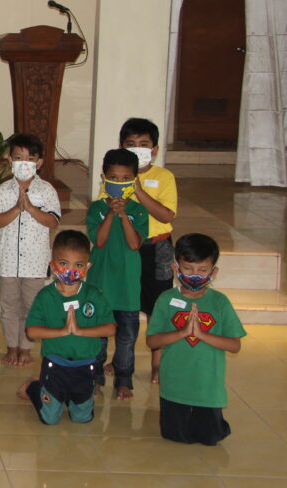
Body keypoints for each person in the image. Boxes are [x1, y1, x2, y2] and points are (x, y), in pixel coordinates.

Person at [147, 233, 245, 445]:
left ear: (213, 272)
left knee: (210, 438)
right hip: (174, 387)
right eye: (188, 269)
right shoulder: (166, 299)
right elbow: (152, 342)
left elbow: (234, 345)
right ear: (175, 269)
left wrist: (201, 334)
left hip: (207, 387)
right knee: (176, 437)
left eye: (202, 270)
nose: (195, 276)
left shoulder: (220, 302)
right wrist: (182, 333)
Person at [18, 230, 115, 425]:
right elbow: (32, 332)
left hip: (86, 365)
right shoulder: (45, 296)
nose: (71, 271)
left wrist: (80, 331)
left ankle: (69, 396)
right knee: (50, 419)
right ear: (52, 264)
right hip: (55, 364)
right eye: (64, 263)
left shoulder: (94, 295)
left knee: (82, 418)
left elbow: (111, 329)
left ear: (87, 267)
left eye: (78, 265)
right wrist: (62, 331)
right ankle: (35, 387)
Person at [0, 133, 61, 368]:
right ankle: (12, 346)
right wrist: (16, 209)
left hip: (35, 262)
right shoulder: (3, 190)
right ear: (10, 160)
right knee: (9, 307)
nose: (24, 163)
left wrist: (30, 208)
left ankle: (26, 347)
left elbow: (53, 221)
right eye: (18, 157)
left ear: (39, 163)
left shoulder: (47, 190)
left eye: (30, 159)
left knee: (32, 307)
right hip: (9, 262)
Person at [86, 148, 149, 400]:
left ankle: (124, 380)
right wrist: (111, 213)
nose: (119, 183)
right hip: (100, 285)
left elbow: (134, 244)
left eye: (125, 179)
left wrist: (123, 215)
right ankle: (95, 379)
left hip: (127, 288)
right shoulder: (96, 209)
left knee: (127, 339)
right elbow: (99, 241)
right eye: (113, 178)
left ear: (134, 181)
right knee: (98, 337)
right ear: (103, 179)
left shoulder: (139, 211)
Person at [120, 117, 178, 383]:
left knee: (158, 307)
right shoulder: (116, 176)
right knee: (124, 306)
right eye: (131, 144)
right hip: (125, 248)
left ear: (154, 149)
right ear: (122, 147)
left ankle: (157, 364)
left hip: (157, 248)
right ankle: (121, 361)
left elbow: (166, 215)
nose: (137, 149)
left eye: (143, 144)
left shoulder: (164, 177)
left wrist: (139, 190)